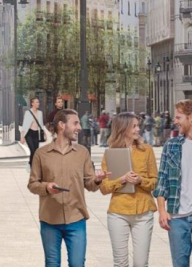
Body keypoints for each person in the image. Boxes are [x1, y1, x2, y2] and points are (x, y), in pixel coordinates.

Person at [28, 109, 108, 267]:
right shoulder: (41, 154)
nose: (79, 127)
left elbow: (89, 184)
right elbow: (32, 184)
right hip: (50, 219)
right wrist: (46, 187)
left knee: (78, 264)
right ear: (61, 125)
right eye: (75, 123)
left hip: (76, 218)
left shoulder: (82, 153)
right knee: (52, 263)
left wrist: (97, 180)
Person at [100, 112, 158, 267]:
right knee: (120, 263)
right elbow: (104, 188)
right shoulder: (110, 154)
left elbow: (154, 183)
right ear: (123, 128)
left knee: (141, 263)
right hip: (118, 213)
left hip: (144, 213)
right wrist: (122, 180)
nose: (138, 129)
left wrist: (140, 180)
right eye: (134, 126)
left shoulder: (147, 150)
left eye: (138, 125)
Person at [155, 99, 192, 267]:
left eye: (179, 117)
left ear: (190, 118)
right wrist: (162, 211)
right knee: (179, 264)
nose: (175, 121)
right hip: (177, 217)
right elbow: (162, 180)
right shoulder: (171, 145)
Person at [20, 97, 45, 168]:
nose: (38, 103)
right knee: (32, 149)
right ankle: (33, 165)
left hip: (36, 134)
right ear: (32, 103)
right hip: (29, 134)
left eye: (38, 102)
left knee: (36, 151)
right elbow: (24, 125)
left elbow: (41, 124)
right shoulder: (28, 113)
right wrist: (22, 137)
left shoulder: (40, 113)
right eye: (36, 102)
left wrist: (44, 134)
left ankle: (31, 162)